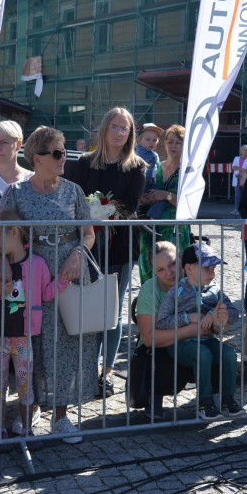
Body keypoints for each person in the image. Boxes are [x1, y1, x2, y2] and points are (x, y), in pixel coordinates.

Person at [0, 126, 96, 444]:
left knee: (66, 344)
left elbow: (89, 232)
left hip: (68, 275)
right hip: (29, 278)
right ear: (36, 158)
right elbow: (1, 235)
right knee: (32, 344)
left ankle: (61, 417)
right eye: (56, 153)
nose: (62, 158)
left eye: (64, 152)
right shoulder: (15, 193)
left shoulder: (73, 190)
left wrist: (78, 255)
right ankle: (32, 407)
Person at [65, 108, 147, 396]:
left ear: (131, 133)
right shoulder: (84, 162)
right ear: (104, 129)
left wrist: (96, 210)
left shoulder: (136, 166)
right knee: (87, 307)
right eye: (114, 127)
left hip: (121, 246)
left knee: (111, 310)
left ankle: (107, 372)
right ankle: (86, 368)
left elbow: (130, 205)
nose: (119, 133)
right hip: (86, 245)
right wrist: (93, 213)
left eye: (125, 128)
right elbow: (75, 199)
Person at [0, 211, 61, 438]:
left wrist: (64, 278)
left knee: (25, 385)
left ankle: (27, 429)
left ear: (15, 232)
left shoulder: (37, 263)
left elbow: (47, 293)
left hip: (23, 337)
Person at [155, 242, 244, 420]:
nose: (212, 273)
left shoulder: (215, 290)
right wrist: (189, 318)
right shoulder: (177, 292)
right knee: (202, 354)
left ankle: (228, 398)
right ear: (188, 268)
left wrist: (217, 314)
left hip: (207, 339)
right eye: (207, 268)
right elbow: (162, 321)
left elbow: (234, 312)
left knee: (229, 354)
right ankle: (205, 402)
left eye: (214, 268)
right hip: (181, 343)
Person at [133, 241, 200, 420]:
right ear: (154, 272)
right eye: (160, 269)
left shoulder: (196, 278)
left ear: (180, 259)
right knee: (160, 358)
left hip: (193, 341)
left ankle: (209, 399)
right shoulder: (149, 289)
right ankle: (154, 398)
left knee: (220, 355)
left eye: (171, 264)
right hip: (158, 348)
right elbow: (148, 338)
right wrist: (191, 329)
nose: (169, 273)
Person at [138, 125, 191, 285]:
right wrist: (145, 199)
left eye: (178, 142)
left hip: (175, 232)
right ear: (165, 143)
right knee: (149, 273)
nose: (173, 146)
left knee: (174, 276)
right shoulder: (155, 166)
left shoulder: (187, 171)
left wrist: (166, 196)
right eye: (170, 141)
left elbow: (189, 203)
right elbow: (140, 195)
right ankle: (150, 307)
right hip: (150, 231)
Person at [230, 145, 247, 214]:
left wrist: (244, 170)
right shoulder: (236, 158)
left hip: (244, 178)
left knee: (244, 195)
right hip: (237, 178)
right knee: (237, 194)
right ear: (241, 151)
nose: (246, 151)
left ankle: (243, 210)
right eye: (244, 150)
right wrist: (241, 169)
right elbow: (233, 167)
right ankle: (236, 209)